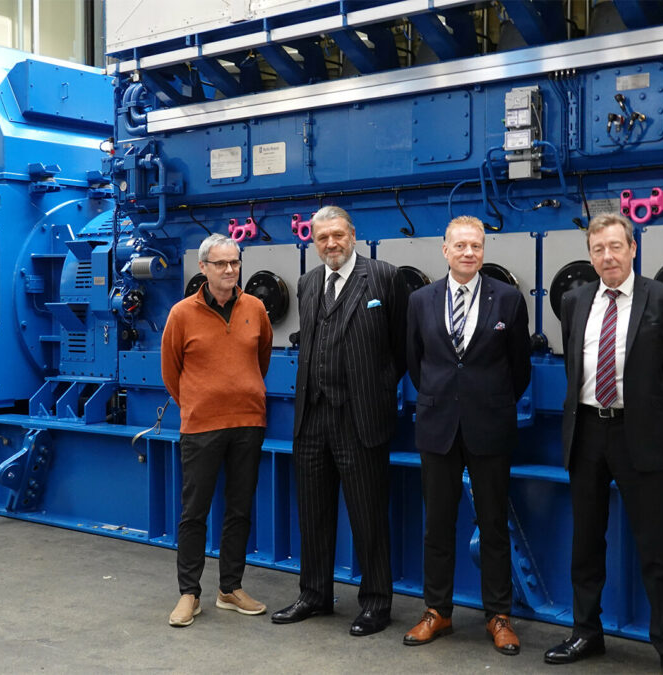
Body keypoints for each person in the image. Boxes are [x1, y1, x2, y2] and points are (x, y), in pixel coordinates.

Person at [545, 214, 663, 674]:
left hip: (639, 433)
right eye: (598, 249)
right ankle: (586, 633)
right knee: (586, 542)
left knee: (656, 545)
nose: (607, 257)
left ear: (632, 248)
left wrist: (646, 412)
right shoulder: (574, 300)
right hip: (587, 432)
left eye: (615, 247)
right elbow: (573, 365)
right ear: (590, 256)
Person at [271, 205, 410, 637]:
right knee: (313, 513)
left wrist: (378, 387)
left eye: (337, 235)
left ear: (353, 234)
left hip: (360, 417)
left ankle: (376, 603)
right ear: (313, 242)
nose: (331, 243)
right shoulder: (308, 282)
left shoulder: (385, 277)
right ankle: (314, 594)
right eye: (322, 237)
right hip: (312, 416)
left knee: (368, 515)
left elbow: (403, 346)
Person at [403, 215, 531, 655]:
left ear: (483, 250)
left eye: (475, 245)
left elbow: (519, 367)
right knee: (437, 525)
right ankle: (437, 611)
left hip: (489, 426)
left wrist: (488, 401)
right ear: (445, 250)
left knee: (493, 524)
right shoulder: (420, 300)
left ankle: (499, 615)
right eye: (459, 245)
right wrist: (443, 398)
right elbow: (416, 362)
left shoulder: (508, 299)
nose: (468, 252)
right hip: (438, 425)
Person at [160, 233, 273, 628]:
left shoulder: (255, 308)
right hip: (201, 427)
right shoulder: (181, 314)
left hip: (248, 424)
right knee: (194, 512)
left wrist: (243, 393)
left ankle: (230, 588)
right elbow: (170, 371)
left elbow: (261, 359)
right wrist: (198, 403)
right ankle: (189, 594)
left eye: (235, 263)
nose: (230, 270)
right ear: (203, 267)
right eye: (221, 263)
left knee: (239, 509)